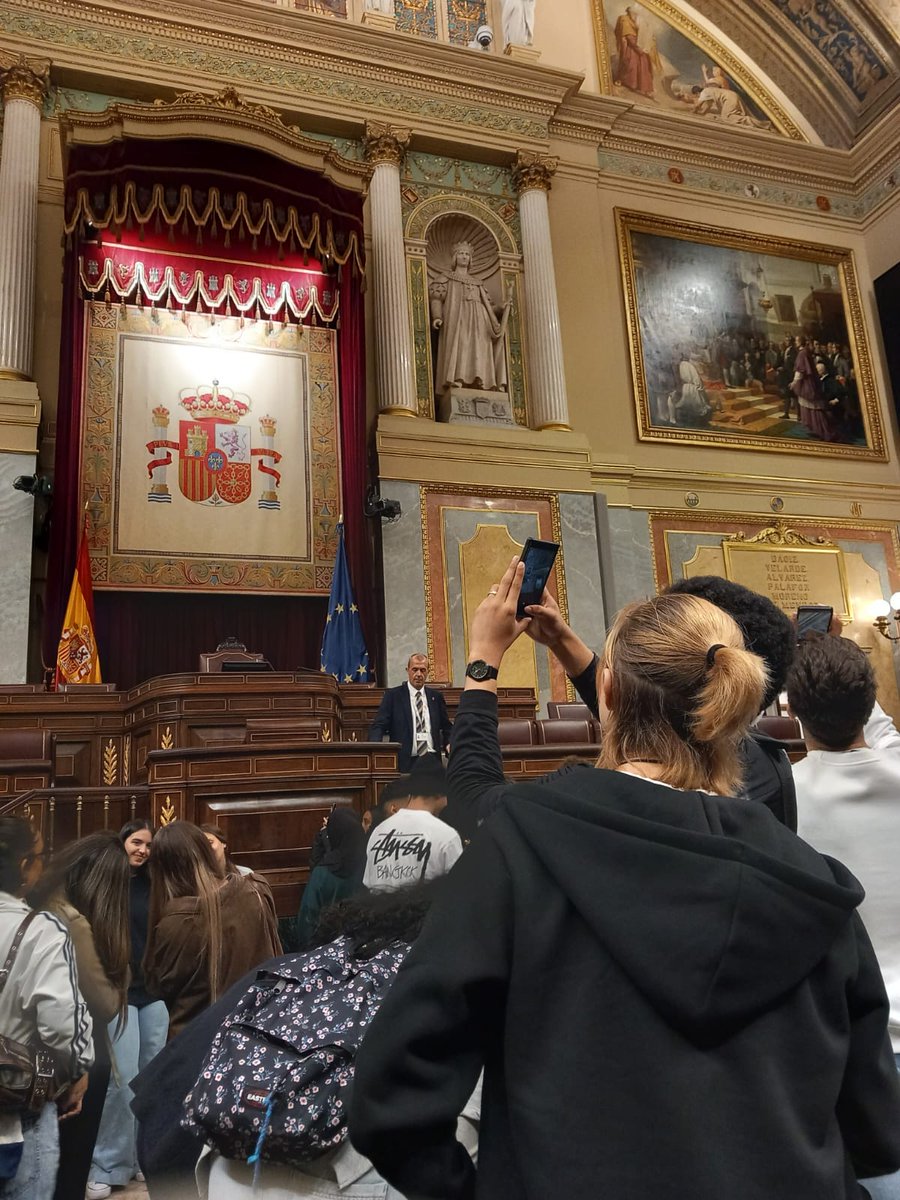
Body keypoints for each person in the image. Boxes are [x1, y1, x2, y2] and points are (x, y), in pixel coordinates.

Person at [349, 558, 900, 1199]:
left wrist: (482, 663)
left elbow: (391, 1104)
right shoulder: (816, 880)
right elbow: (874, 1132)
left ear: (607, 691)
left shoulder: (523, 846)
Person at [786, 635, 900, 1200]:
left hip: (854, 1041)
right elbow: (883, 730)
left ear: (793, 711)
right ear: (870, 701)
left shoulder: (781, 799)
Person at [28, 832, 130, 1200]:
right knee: (69, 1169)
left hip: (37, 1052)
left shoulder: (38, 905)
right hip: (77, 1058)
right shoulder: (72, 922)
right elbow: (106, 1002)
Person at [0, 818, 93, 1200]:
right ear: (25, 867)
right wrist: (78, 1072)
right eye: (40, 857)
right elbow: (61, 1027)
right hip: (16, 1112)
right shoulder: (41, 931)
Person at [87, 819, 169, 1200]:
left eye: (149, 845)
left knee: (151, 1078)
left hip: (152, 992)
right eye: (137, 842)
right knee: (122, 1082)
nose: (143, 850)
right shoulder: (107, 883)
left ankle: (141, 1157)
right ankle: (107, 1165)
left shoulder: (156, 885)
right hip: (119, 992)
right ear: (122, 842)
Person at [143, 821, 281, 1039]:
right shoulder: (255, 890)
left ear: (162, 870)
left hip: (199, 1039)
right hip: (256, 1030)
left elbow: (161, 986)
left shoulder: (176, 921)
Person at [429, 241, 511, 395]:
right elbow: (436, 298)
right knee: (460, 345)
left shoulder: (478, 283)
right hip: (457, 319)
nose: (464, 257)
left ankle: (480, 381)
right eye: (461, 253)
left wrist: (501, 308)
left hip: (479, 321)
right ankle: (457, 378)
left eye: (467, 254)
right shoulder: (446, 278)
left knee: (479, 348)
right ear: (455, 257)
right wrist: (437, 316)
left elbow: (489, 306)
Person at [363, 770, 463, 892]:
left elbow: (369, 884)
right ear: (439, 794)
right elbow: (459, 888)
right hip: (425, 904)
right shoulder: (446, 835)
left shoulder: (378, 832)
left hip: (377, 904)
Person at [368, 653, 453, 773]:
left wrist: (449, 744)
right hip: (405, 763)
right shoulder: (393, 696)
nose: (418, 674)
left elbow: (447, 727)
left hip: (432, 761)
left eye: (423, 670)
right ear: (407, 670)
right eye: (415, 669)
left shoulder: (436, 697)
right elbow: (379, 725)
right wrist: (374, 749)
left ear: (428, 672)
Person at [296, 807, 366, 945]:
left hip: (326, 948)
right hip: (363, 947)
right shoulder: (370, 865)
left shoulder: (322, 873)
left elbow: (307, 920)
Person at [791, 334, 841, 441]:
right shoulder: (805, 352)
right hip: (808, 383)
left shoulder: (802, 353)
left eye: (797, 340)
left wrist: (794, 382)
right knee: (811, 406)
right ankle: (816, 429)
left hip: (806, 384)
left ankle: (823, 431)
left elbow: (801, 370)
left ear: (801, 342)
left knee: (814, 406)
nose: (795, 342)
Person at [613, 5, 654, 97]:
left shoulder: (634, 22)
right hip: (630, 47)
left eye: (636, 14)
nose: (635, 16)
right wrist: (639, 48)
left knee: (645, 61)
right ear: (630, 12)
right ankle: (625, 81)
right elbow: (628, 36)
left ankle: (643, 88)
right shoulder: (624, 20)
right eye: (634, 14)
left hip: (636, 46)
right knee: (630, 62)